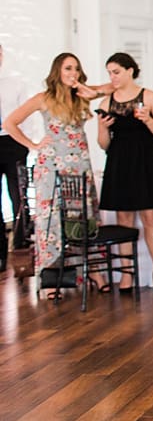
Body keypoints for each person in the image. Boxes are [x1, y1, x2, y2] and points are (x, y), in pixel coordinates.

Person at [2, 52, 103, 278]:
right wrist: (34, 145)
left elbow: (111, 88)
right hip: (52, 164)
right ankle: (50, 274)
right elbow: (10, 123)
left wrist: (91, 92)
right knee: (51, 218)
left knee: (82, 213)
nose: (73, 73)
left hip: (80, 162)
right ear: (57, 70)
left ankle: (91, 270)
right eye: (68, 68)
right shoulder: (43, 98)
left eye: (76, 69)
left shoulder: (80, 97)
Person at [96, 52, 153, 293]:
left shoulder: (150, 96)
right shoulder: (106, 103)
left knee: (150, 217)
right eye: (109, 73)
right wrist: (104, 129)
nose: (112, 77)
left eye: (116, 72)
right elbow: (103, 144)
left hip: (146, 161)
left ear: (130, 70)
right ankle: (126, 274)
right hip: (119, 162)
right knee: (123, 219)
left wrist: (147, 120)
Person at [0, 43, 31, 271]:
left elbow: (26, 119)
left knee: (18, 196)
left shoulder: (16, 84)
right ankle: (1, 253)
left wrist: (28, 144)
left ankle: (21, 245)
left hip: (13, 141)